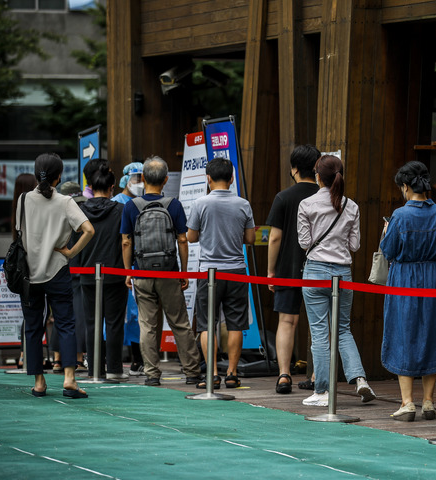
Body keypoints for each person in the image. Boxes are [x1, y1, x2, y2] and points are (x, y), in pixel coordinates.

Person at [297, 154, 376, 406]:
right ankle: (360, 379)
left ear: (318, 176)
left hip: (315, 273)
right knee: (343, 330)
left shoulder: (307, 205)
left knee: (319, 334)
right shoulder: (351, 206)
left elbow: (304, 243)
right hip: (343, 274)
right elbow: (355, 245)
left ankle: (322, 391)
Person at [120, 156, 202, 386]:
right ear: (166, 180)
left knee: (147, 325)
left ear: (143, 178)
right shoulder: (173, 205)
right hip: (169, 272)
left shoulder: (131, 206)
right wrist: (183, 272)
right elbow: (183, 240)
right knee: (179, 322)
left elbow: (126, 242)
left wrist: (129, 272)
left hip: (142, 273)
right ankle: (192, 372)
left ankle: (152, 374)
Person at [18, 153, 94, 398]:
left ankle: (39, 383)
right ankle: (69, 379)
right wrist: (70, 251)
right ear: (59, 176)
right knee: (66, 324)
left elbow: (20, 233)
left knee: (32, 326)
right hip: (58, 272)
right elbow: (88, 230)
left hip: (29, 273)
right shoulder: (65, 202)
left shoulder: (23, 200)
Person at [380, 161, 436, 422]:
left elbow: (388, 250)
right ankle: (429, 401)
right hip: (433, 275)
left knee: (404, 333)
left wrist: (386, 231)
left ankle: (407, 402)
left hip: (404, 277)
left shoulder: (400, 216)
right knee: (432, 332)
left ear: (406, 186)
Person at [187, 158, 255, 389]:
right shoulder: (243, 204)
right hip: (236, 270)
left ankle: (212, 374)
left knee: (207, 324)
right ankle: (233, 374)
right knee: (235, 324)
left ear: (208, 178)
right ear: (232, 178)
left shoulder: (200, 203)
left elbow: (191, 237)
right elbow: (250, 239)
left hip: (209, 272)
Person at [266, 144, 320, 394]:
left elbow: (275, 237)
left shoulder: (283, 197)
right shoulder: (325, 195)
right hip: (320, 268)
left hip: (288, 268)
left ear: (294, 169)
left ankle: (284, 375)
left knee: (287, 321)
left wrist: (270, 271)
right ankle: (318, 375)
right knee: (318, 323)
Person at [78, 163, 129, 380]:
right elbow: (126, 241)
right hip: (115, 273)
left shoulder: (80, 209)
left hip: (87, 273)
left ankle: (94, 369)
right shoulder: (120, 210)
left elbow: (74, 240)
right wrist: (128, 270)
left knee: (92, 323)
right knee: (114, 323)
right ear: (112, 186)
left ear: (90, 185)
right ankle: (115, 369)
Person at [49, 181, 89, 374]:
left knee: (60, 314)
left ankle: (57, 359)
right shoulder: (81, 216)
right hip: (79, 269)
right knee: (78, 314)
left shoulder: (54, 215)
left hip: (57, 268)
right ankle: (78, 359)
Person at [111, 161, 145, 376]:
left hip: (138, 264)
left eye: (142, 179)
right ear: (125, 180)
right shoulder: (117, 203)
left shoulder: (142, 202)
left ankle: (137, 360)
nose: (139, 183)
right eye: (136, 179)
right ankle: (113, 360)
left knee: (137, 315)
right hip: (118, 265)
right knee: (118, 314)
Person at [11, 173, 38, 369]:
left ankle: (25, 355)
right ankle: (27, 355)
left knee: (29, 312)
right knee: (37, 314)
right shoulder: (32, 207)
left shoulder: (16, 208)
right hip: (36, 266)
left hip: (21, 267)